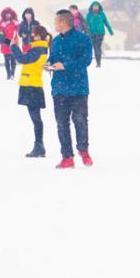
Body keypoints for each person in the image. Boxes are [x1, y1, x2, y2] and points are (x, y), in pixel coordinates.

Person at [46, 9, 94, 169]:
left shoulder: (83, 39)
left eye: (55, 21)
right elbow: (52, 58)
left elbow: (86, 60)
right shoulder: (56, 41)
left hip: (78, 88)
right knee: (62, 124)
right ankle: (67, 157)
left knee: (80, 121)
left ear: (63, 22)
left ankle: (83, 150)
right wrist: (48, 64)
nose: (54, 24)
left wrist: (66, 65)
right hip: (59, 89)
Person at [10, 25, 51, 158]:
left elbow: (22, 59)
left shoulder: (39, 49)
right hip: (31, 85)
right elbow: (27, 58)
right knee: (36, 119)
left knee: (36, 119)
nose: (32, 36)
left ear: (39, 35)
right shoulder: (38, 48)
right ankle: (39, 146)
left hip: (31, 87)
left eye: (34, 34)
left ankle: (39, 146)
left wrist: (13, 47)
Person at [85, 1, 113, 67]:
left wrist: (110, 31)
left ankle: (98, 62)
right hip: (92, 33)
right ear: (92, 7)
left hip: (100, 33)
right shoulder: (89, 15)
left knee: (98, 47)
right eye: (94, 6)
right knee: (95, 47)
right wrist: (85, 32)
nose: (95, 7)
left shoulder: (102, 14)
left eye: (96, 6)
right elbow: (85, 24)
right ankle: (97, 62)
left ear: (99, 7)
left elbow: (106, 23)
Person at [0, 7, 19, 79]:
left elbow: (20, 29)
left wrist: (17, 25)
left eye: (9, 14)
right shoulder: (2, 22)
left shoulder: (15, 21)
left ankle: (12, 73)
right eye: (6, 14)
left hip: (13, 41)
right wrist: (1, 26)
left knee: (13, 59)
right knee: (6, 60)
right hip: (5, 42)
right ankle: (8, 74)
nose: (8, 16)